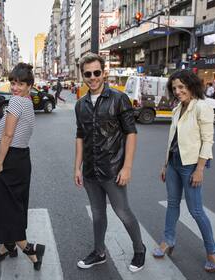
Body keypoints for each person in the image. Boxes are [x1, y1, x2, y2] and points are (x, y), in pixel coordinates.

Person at [74, 53, 146, 272]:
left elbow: (130, 133)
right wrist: (77, 167)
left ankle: (139, 249)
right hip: (90, 171)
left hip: (114, 169)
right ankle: (99, 252)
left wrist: (127, 167)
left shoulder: (118, 98)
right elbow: (80, 136)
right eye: (88, 74)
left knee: (122, 212)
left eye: (97, 72)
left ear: (103, 72)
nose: (93, 77)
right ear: (83, 75)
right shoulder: (80, 104)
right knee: (97, 214)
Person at [153, 70, 215, 272]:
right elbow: (172, 140)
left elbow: (207, 141)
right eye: (174, 88)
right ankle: (168, 240)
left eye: (181, 87)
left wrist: (200, 169)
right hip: (174, 163)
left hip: (191, 165)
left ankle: (213, 249)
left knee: (196, 210)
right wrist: (165, 164)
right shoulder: (177, 109)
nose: (177, 91)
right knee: (172, 204)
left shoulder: (202, 107)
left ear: (192, 86)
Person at [0, 63, 45, 271]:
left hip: (8, 158)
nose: (15, 87)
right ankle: (7, 245)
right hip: (21, 160)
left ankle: (29, 249)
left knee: (5, 207)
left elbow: (8, 135)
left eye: (20, 83)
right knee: (14, 205)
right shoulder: (28, 102)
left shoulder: (17, 103)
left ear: (30, 85)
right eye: (12, 83)